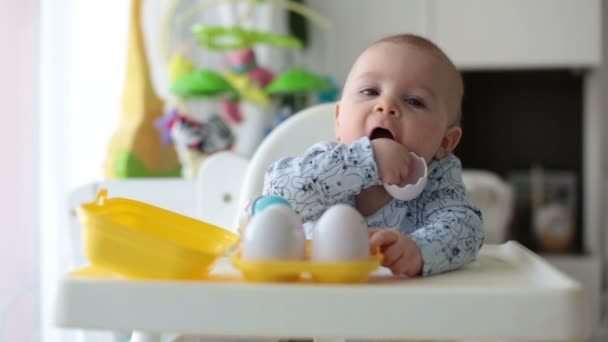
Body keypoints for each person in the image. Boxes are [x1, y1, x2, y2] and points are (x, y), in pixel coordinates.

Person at [262, 33, 484, 277]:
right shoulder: (326, 162)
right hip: (316, 291)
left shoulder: (437, 177)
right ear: (338, 119)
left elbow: (467, 228)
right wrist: (366, 161)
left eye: (414, 101)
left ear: (445, 141)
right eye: (369, 91)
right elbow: (276, 193)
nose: (386, 105)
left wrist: (419, 250)